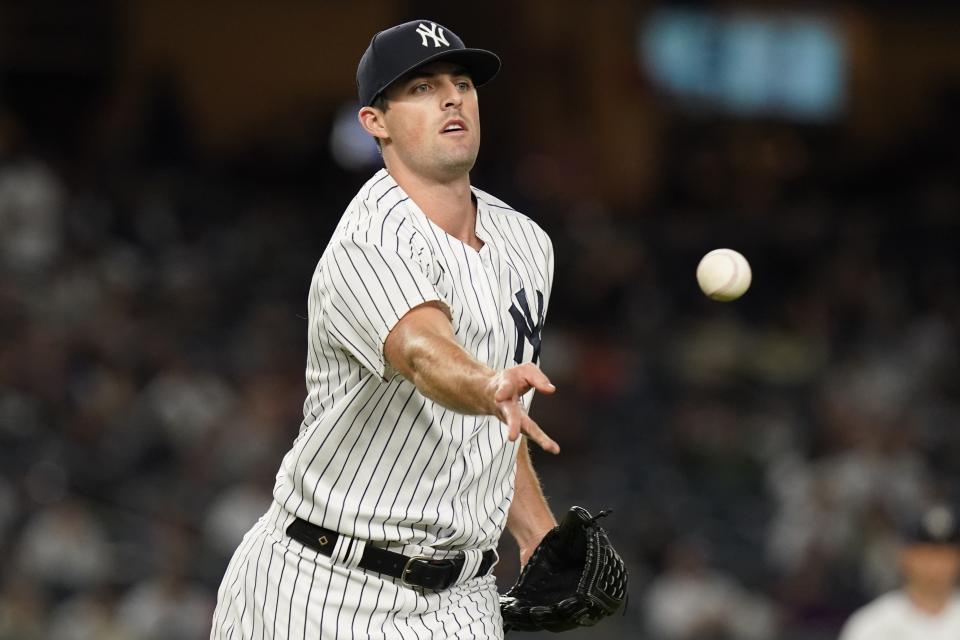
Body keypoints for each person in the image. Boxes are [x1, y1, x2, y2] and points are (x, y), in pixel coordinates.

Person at [210, 19, 560, 639]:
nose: (453, 97)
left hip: (463, 600)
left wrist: (534, 528)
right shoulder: (372, 238)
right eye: (423, 88)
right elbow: (424, 353)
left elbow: (496, 421)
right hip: (321, 589)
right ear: (376, 122)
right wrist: (487, 385)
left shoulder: (528, 243)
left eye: (461, 83)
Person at [838, 504, 960, 640]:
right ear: (906, 556)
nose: (935, 565)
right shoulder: (872, 623)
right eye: (926, 554)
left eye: (944, 554)